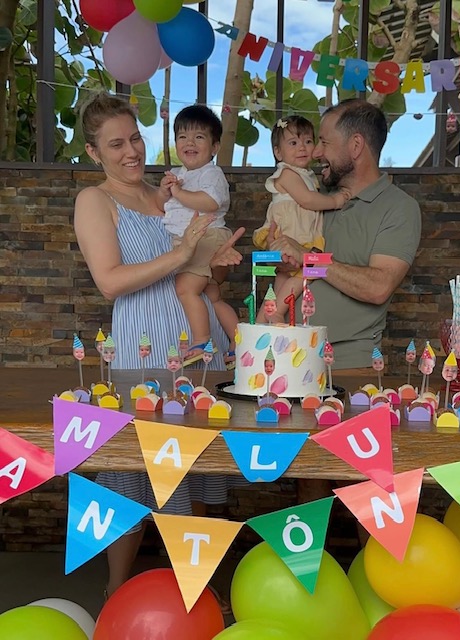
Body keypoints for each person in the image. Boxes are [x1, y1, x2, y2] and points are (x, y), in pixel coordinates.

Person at [74, 92, 245, 598]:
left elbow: (201, 275)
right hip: (142, 350)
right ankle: (116, 591)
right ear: (94, 152)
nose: (131, 151)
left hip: (198, 348)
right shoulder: (95, 201)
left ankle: (197, 589)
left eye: (135, 138)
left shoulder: (173, 192)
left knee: (198, 465)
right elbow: (110, 281)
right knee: (135, 468)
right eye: (116, 144)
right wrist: (183, 254)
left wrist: (215, 261)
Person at [268, 99, 422, 371]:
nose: (315, 152)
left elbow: (378, 287)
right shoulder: (315, 198)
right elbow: (289, 263)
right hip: (283, 359)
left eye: (324, 142)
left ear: (356, 146)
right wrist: (277, 256)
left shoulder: (399, 207)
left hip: (346, 368)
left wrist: (309, 258)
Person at [156, 105, 239, 366]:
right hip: (196, 238)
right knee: (213, 297)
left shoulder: (211, 173)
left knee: (185, 288)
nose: (189, 142)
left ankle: (202, 339)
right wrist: (165, 191)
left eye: (199, 137)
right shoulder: (180, 175)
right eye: (182, 136)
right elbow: (163, 207)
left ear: (214, 147)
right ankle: (239, 340)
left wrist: (179, 193)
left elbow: (210, 202)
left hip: (206, 236)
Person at [253, 115, 350, 324]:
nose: (302, 148)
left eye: (307, 141)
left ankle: (260, 322)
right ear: (278, 152)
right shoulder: (287, 173)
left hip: (300, 233)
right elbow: (306, 200)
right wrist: (335, 201)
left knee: (283, 279)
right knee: (306, 272)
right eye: (293, 143)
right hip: (292, 233)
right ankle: (277, 312)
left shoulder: (307, 175)